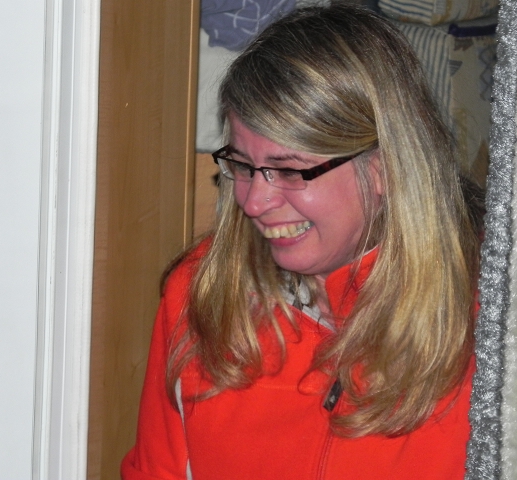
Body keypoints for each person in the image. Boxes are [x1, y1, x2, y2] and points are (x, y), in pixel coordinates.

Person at [121, 4, 481, 479]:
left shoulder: (488, 325)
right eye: (243, 165)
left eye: (290, 171)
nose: (253, 201)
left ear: (384, 170)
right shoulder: (198, 293)